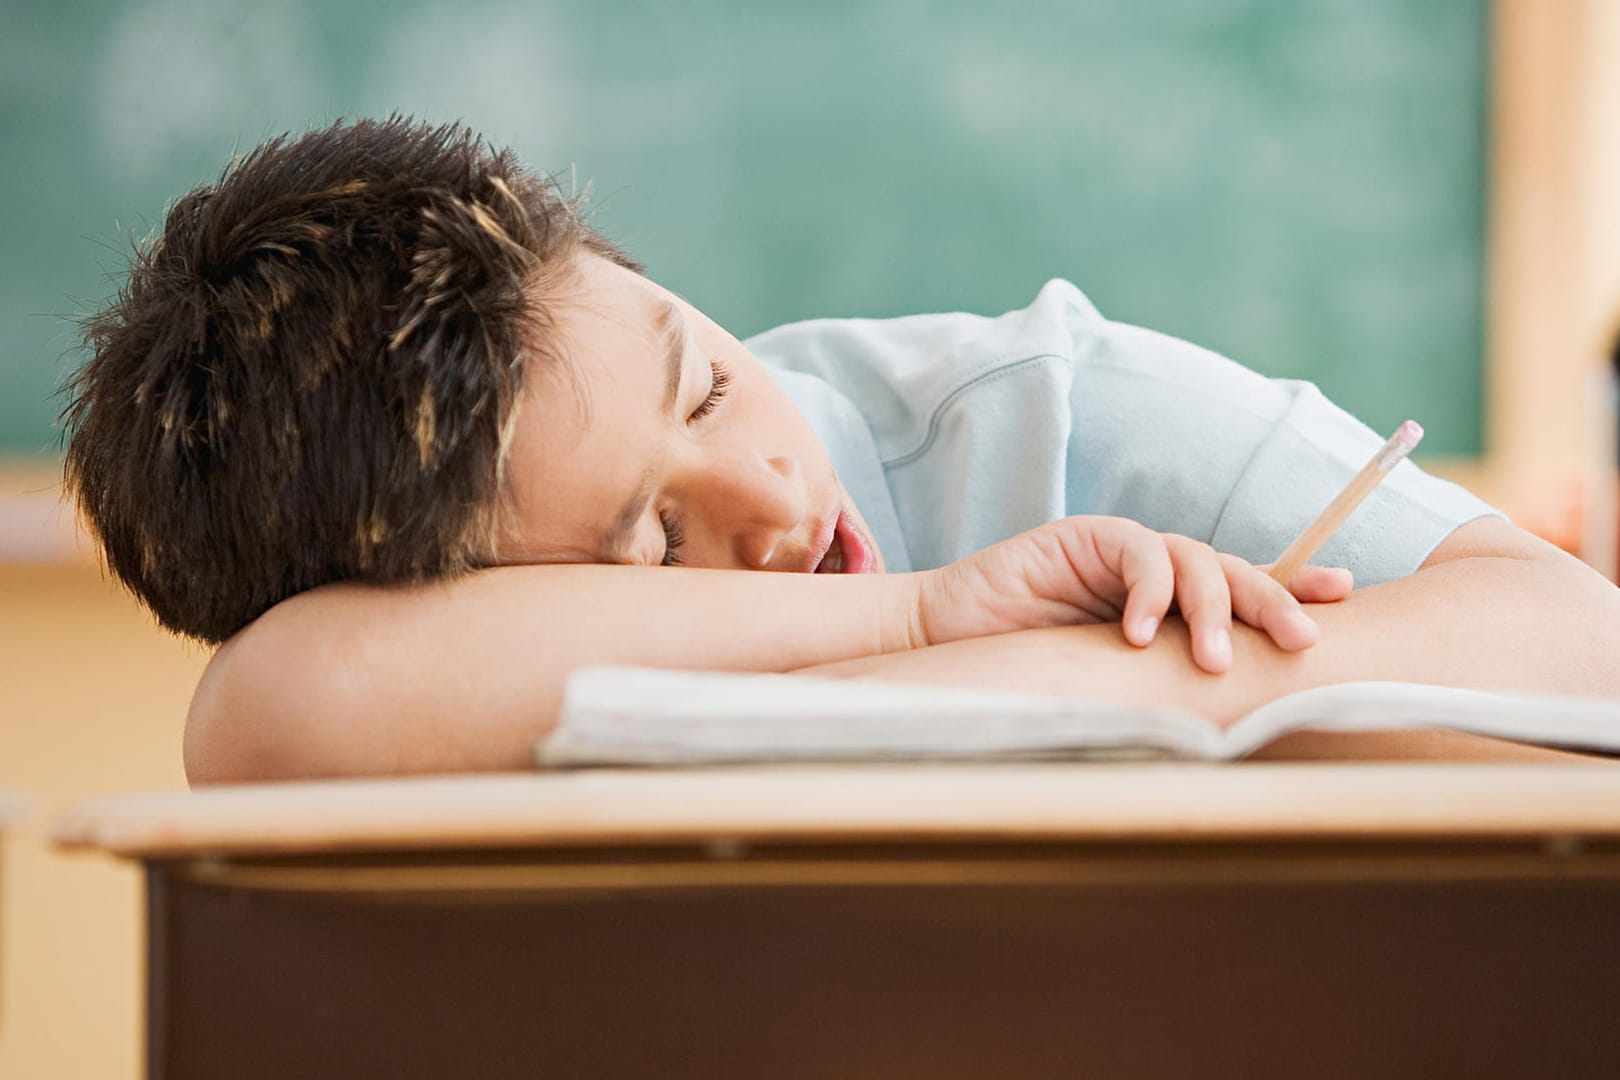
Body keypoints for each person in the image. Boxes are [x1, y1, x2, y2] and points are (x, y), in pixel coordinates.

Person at [62, 118, 1620, 783]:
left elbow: (1580, 645)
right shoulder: (395, 685)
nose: (774, 498)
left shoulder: (1040, 404)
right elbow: (272, 714)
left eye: (709, 386)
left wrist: (1095, 681)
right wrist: (927, 622)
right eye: (653, 548)